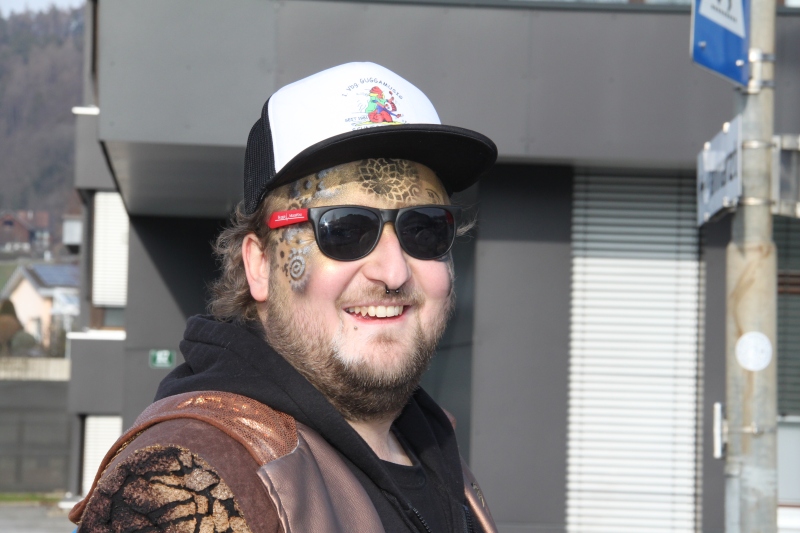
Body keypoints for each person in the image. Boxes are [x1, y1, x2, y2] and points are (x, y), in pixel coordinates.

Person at [70, 62, 498, 533]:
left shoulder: (442, 462)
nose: (393, 272)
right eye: (345, 230)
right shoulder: (189, 483)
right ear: (259, 265)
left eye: (424, 229)